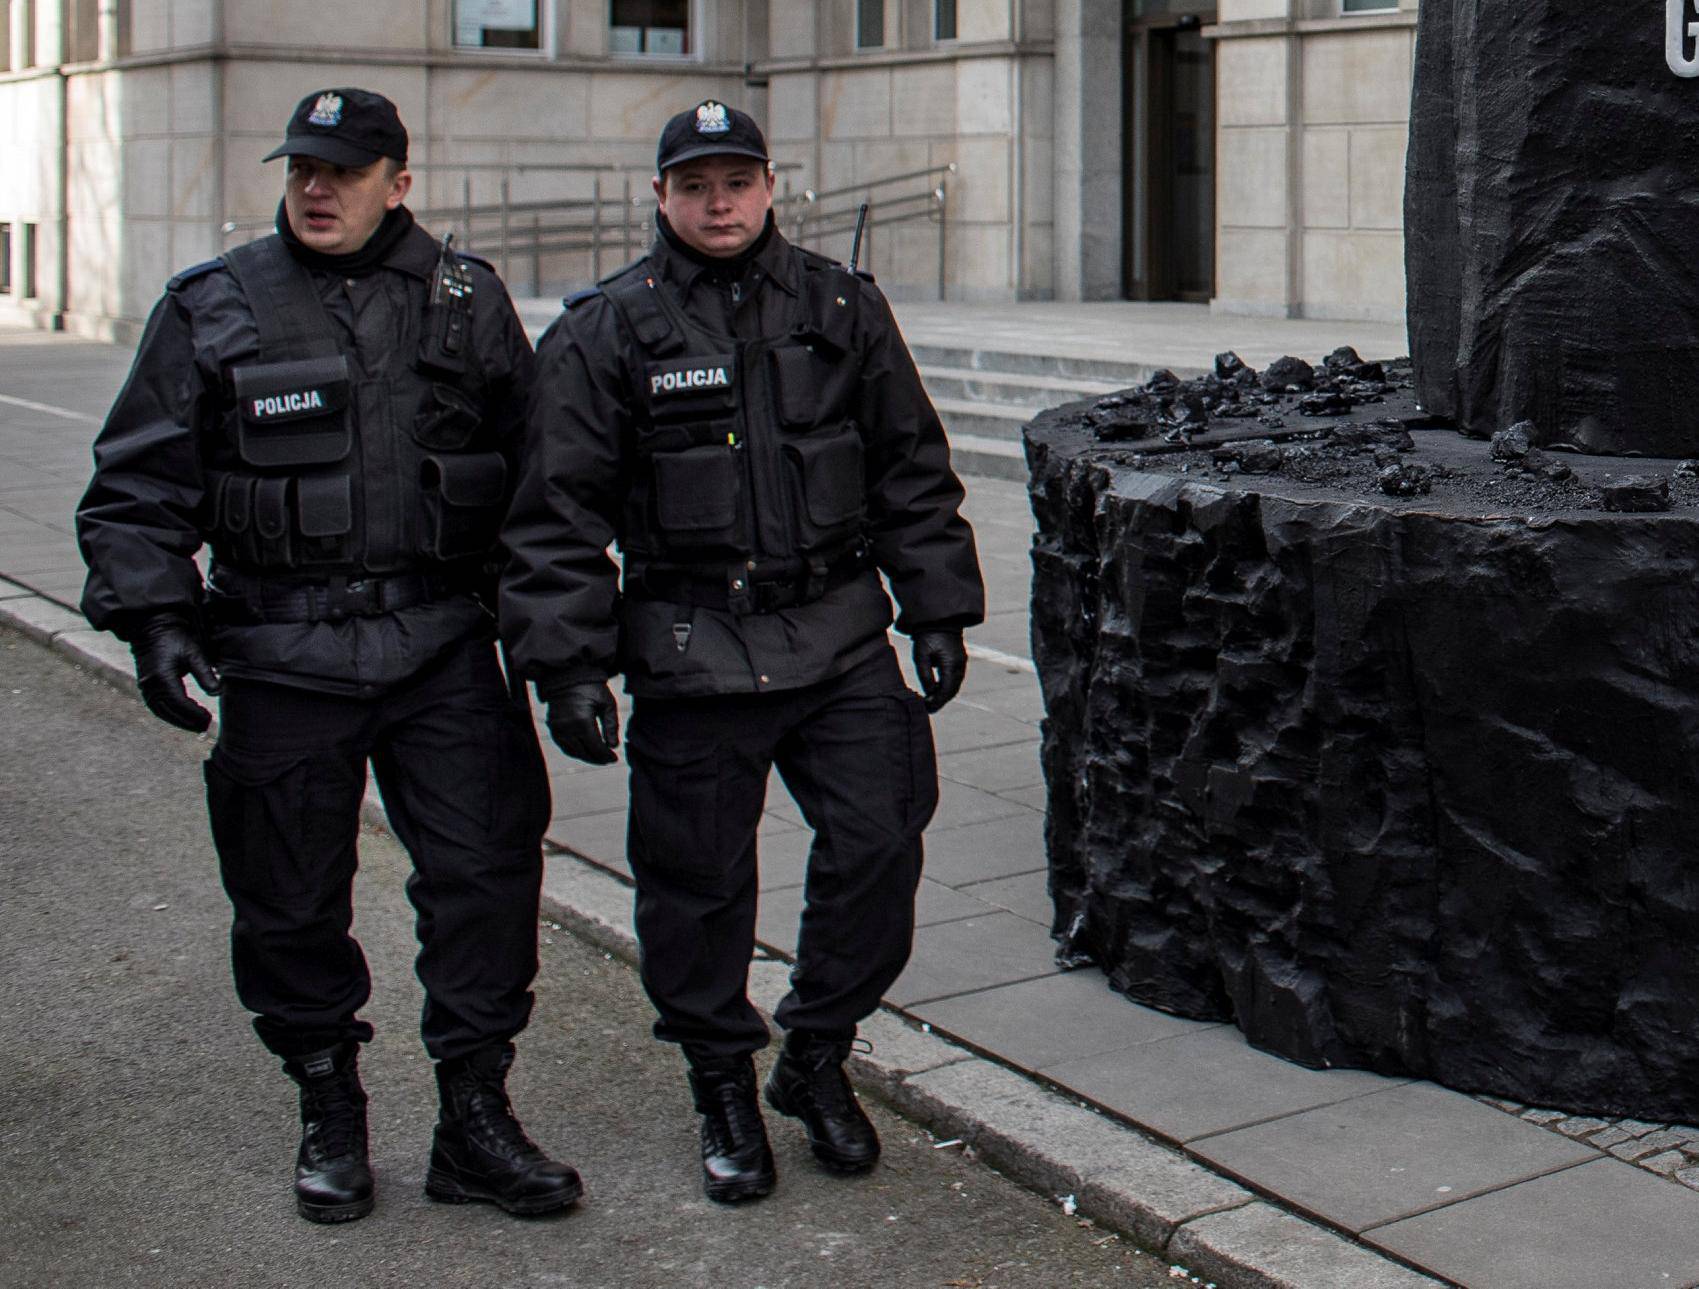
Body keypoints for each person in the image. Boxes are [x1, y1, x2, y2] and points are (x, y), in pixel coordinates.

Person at [75, 87, 580, 1225]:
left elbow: (541, 490)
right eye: (302, 166)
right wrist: (156, 617)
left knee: (487, 878)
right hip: (281, 647)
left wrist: (562, 650)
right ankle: (328, 1103)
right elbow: (138, 483)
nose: (316, 187)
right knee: (289, 896)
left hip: (441, 643)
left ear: (398, 183)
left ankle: (474, 1117)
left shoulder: (465, 299)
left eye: (344, 171)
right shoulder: (215, 305)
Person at [501, 99, 985, 1204]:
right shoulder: (605, 330)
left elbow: (909, 462)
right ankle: (721, 1075)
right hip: (692, 643)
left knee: (880, 838)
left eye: (737, 181)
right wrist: (568, 665)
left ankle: (814, 1052)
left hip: (836, 635)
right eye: (694, 185)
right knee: (697, 885)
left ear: (771, 187)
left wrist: (939, 608)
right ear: (659, 197)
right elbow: (556, 513)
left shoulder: (839, 305)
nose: (717, 203)